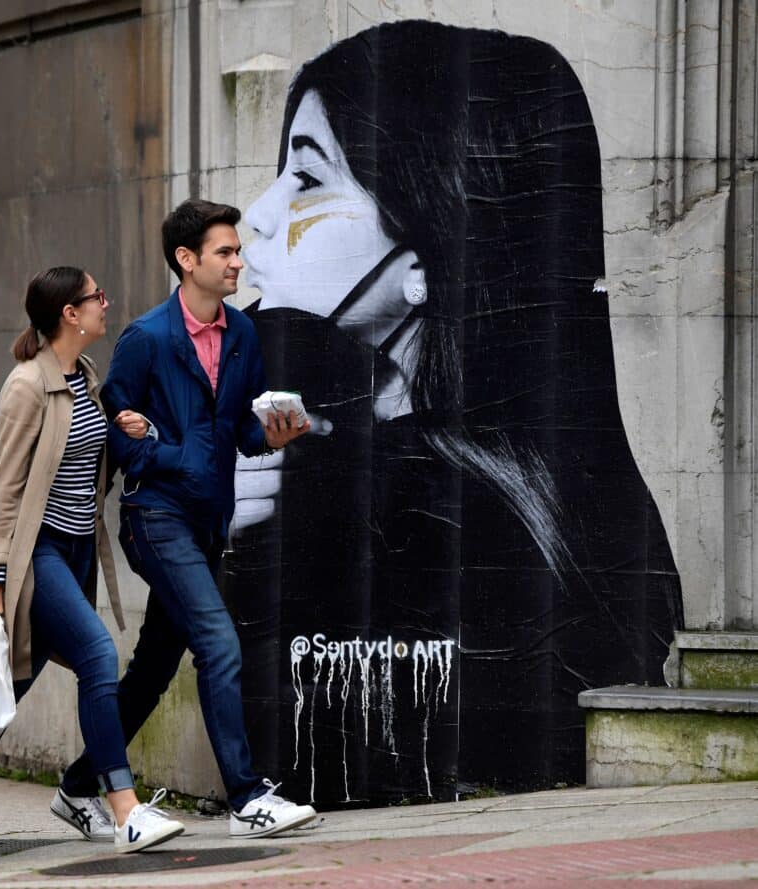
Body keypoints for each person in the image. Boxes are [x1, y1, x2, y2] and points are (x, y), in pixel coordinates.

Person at [227, 20, 684, 804]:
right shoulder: (555, 486)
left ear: (423, 259)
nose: (258, 218)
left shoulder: (409, 490)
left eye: (306, 179)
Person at [0, 266, 185, 856]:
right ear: (70, 312)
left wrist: (123, 431)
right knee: (96, 652)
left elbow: (84, 470)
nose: (105, 303)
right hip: (35, 555)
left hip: (75, 551)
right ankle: (126, 809)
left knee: (10, 688)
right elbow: (6, 490)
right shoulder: (25, 386)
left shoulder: (84, 375)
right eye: (97, 296)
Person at [100, 199, 317, 837]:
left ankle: (82, 783)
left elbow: (242, 432)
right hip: (154, 516)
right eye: (224, 252)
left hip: (206, 523)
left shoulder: (243, 334)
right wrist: (175, 454)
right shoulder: (146, 339)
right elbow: (116, 433)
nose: (237, 261)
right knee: (219, 644)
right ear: (186, 260)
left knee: (155, 667)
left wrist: (273, 435)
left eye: (237, 250)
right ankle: (247, 799)